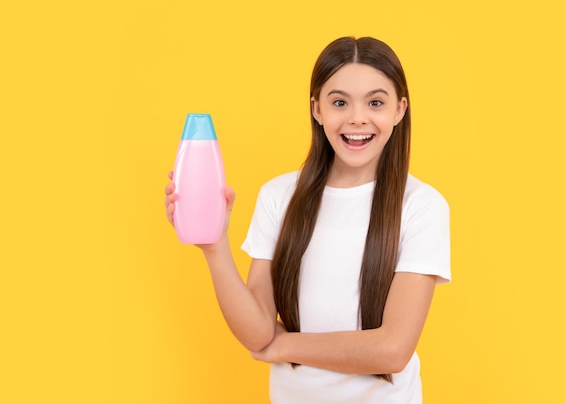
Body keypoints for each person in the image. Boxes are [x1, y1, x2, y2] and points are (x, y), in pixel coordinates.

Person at [164, 36, 450, 404]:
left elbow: (392, 350)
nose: (357, 118)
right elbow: (257, 334)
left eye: (375, 102)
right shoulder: (279, 197)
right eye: (339, 102)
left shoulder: (421, 206)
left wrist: (285, 347)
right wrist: (215, 248)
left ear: (399, 110)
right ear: (317, 109)